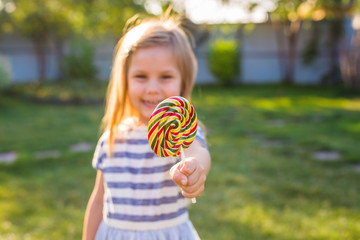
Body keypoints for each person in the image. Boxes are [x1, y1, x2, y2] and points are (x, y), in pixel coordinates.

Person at [82, 12, 211, 240]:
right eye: (141, 76)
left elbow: (198, 152)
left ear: (183, 81)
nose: (153, 88)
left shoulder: (180, 131)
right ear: (125, 80)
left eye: (165, 77)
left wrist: (195, 169)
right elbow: (98, 200)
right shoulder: (112, 138)